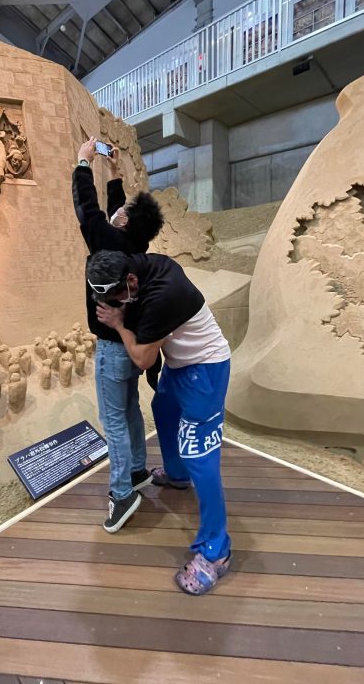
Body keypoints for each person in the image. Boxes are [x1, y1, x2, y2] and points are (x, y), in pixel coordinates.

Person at [88, 249, 231, 594]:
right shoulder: (145, 267)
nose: (117, 303)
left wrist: (118, 323)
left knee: (200, 454)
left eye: (118, 297)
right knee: (164, 409)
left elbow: (141, 357)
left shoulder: (162, 297)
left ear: (130, 281)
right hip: (180, 365)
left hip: (205, 368)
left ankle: (217, 551)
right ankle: (177, 476)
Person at [72, 137, 164, 533]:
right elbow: (112, 214)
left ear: (124, 223)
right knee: (130, 411)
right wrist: (114, 175)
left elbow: (87, 210)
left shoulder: (108, 241)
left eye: (123, 212)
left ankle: (122, 493)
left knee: (114, 422)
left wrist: (83, 162)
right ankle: (138, 470)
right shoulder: (135, 244)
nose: (119, 212)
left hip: (112, 349)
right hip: (132, 345)